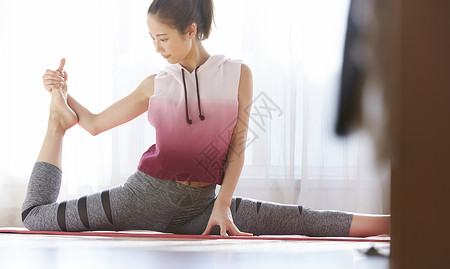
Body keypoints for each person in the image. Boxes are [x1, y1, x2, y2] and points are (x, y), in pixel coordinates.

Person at [22, 0, 389, 237]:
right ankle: (55, 125)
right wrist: (63, 94)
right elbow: (95, 124)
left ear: (191, 31)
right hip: (139, 199)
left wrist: (223, 204)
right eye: (151, 39)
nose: (157, 48)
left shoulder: (237, 74)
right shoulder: (155, 83)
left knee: (301, 218)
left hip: (203, 209)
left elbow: (237, 150)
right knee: (36, 218)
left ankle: (400, 226)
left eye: (163, 38)